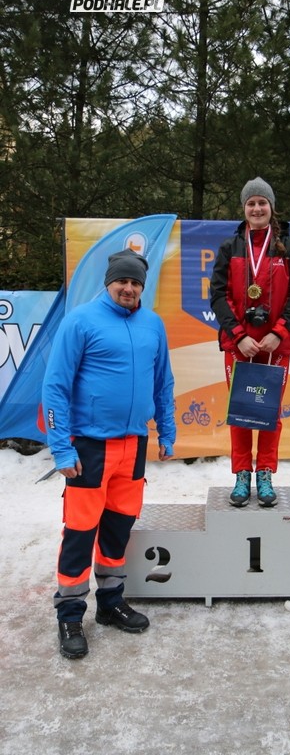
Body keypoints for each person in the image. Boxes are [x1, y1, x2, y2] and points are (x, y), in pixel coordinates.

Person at [42, 249, 176, 659]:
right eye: (122, 281)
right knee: (80, 531)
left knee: (118, 530)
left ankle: (110, 602)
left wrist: (167, 430)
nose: (129, 288)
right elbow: (55, 387)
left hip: (133, 446)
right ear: (109, 282)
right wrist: (61, 447)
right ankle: (70, 614)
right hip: (89, 448)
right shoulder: (80, 321)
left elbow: (163, 382)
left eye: (135, 283)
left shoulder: (152, 324)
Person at [210, 177, 290, 508]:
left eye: (262, 202)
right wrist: (238, 335)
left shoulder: (288, 248)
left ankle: (265, 471)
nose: (256, 208)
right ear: (244, 208)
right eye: (251, 203)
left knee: (269, 411)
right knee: (240, 411)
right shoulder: (229, 247)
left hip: (275, 345)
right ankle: (242, 473)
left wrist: (278, 332)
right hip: (238, 345)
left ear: (271, 207)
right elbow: (218, 296)